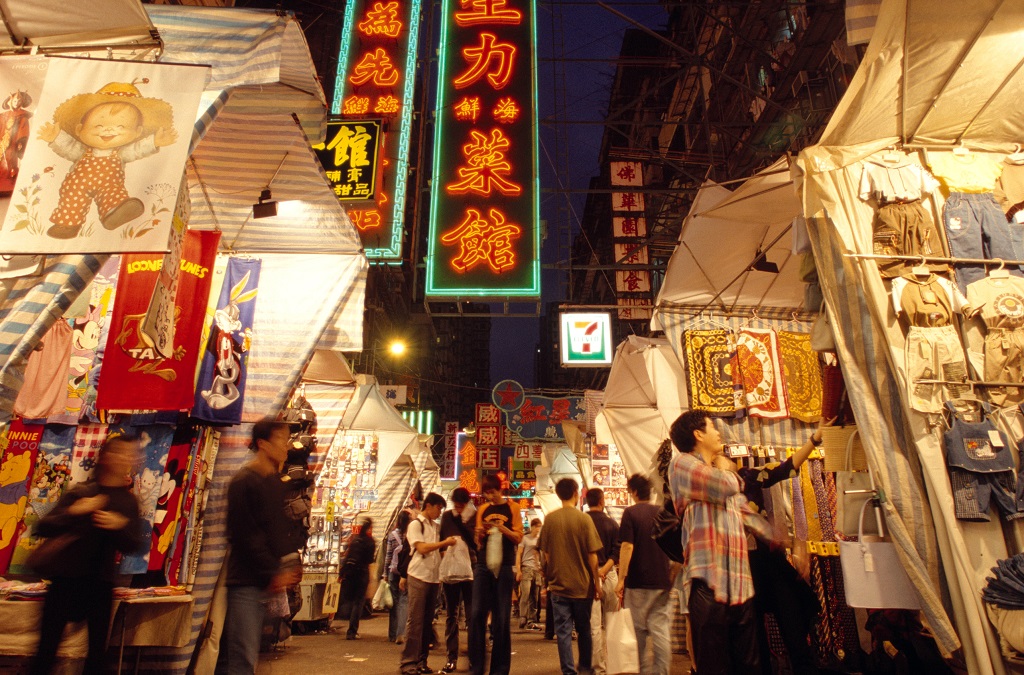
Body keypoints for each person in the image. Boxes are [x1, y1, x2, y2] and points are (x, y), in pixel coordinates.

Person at [669, 410, 775, 675]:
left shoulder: (712, 474)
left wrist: (777, 539)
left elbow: (746, 513)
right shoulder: (681, 464)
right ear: (698, 434)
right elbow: (725, 487)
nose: (719, 433)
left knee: (749, 666)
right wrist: (729, 470)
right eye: (713, 428)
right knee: (714, 667)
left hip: (740, 584)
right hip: (708, 582)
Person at [30, 435, 146, 675]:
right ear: (105, 457)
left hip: (100, 585)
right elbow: (42, 528)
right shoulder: (82, 491)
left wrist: (118, 527)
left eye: (129, 454)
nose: (125, 458)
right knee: (46, 652)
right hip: (64, 582)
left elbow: (133, 545)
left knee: (97, 656)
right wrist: (75, 510)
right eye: (120, 452)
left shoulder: (128, 501)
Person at [738, 419, 832, 675]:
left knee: (792, 616)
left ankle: (804, 666)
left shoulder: (749, 476)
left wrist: (814, 439)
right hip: (741, 568)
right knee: (754, 632)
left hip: (769, 562)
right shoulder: (710, 487)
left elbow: (786, 469)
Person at [38, 81, 178, 239]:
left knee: (113, 194)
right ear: (79, 130)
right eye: (98, 125)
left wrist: (154, 141)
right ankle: (67, 225)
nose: (108, 129)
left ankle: (114, 211)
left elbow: (137, 149)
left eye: (120, 127)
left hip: (108, 185)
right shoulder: (81, 151)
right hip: (78, 185)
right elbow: (68, 146)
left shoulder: (122, 153)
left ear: (137, 133)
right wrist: (55, 137)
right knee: (71, 199)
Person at [222, 418, 303, 674]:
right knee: (241, 658)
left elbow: (276, 531)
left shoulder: (275, 483)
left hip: (266, 584)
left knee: (255, 655)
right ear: (263, 444)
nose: (287, 446)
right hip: (245, 583)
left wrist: (288, 563)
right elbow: (244, 535)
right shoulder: (243, 482)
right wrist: (274, 571)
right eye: (281, 439)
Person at [538, 478, 603, 675]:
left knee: (563, 632)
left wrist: (550, 576)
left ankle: (568, 671)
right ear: (576, 493)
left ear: (558, 494)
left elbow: (546, 554)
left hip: (558, 586)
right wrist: (597, 583)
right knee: (584, 630)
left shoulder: (550, 519)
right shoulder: (584, 519)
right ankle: (585, 669)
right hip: (582, 586)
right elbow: (593, 556)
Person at [614, 474, 674, 675]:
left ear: (635, 492)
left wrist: (621, 579)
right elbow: (677, 548)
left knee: (638, 633)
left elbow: (627, 547)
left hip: (638, 582)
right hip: (662, 582)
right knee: (661, 632)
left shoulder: (631, 514)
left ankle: (643, 672)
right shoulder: (661, 512)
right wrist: (671, 574)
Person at [470, 474, 523, 675]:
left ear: (500, 490)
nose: (489, 496)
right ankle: (476, 667)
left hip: (505, 566)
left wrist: (502, 529)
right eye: (487, 492)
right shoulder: (483, 509)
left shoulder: (513, 509)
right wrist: (480, 534)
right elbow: (477, 541)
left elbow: (518, 537)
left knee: (501, 618)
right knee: (476, 615)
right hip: (483, 565)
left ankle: (499, 670)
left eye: (492, 492)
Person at [401, 492, 458, 675]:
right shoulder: (415, 525)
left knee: (427, 623)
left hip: (433, 578)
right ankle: (408, 663)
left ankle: (422, 661)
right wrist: (445, 543)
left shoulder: (435, 526)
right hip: (418, 576)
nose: (439, 512)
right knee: (415, 622)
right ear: (429, 506)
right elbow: (422, 548)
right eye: (438, 508)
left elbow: (438, 551)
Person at [439, 487, 477, 673]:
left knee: (472, 616)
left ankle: (473, 658)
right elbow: (440, 541)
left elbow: (478, 544)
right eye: (456, 505)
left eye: (462, 505)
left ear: (467, 503)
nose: (459, 509)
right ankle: (451, 657)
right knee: (451, 615)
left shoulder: (474, 517)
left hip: (472, 572)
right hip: (450, 572)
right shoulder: (447, 517)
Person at [584, 488, 620, 675]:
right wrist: (605, 570)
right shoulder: (612, 524)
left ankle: (598, 667)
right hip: (610, 575)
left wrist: (596, 572)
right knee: (613, 622)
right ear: (602, 501)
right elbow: (617, 550)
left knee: (594, 625)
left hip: (589, 577)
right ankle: (615, 663)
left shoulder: (582, 522)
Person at [339, 516, 376, 640]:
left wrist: (341, 573)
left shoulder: (354, 540)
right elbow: (370, 560)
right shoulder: (370, 542)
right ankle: (352, 631)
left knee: (350, 599)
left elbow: (347, 556)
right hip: (362, 573)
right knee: (358, 602)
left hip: (350, 572)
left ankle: (347, 622)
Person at [385, 510, 412, 643]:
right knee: (403, 603)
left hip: (393, 572)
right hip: (405, 573)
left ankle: (392, 634)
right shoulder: (411, 536)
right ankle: (401, 633)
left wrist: (385, 573)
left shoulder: (392, 535)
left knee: (393, 604)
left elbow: (388, 556)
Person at [515, 517, 543, 629]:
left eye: (539, 528)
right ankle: (523, 617)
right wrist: (518, 570)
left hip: (537, 570)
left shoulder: (540, 539)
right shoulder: (524, 539)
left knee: (535, 596)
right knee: (525, 594)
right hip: (526, 568)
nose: (538, 530)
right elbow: (519, 554)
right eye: (537, 527)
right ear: (532, 527)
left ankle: (532, 619)